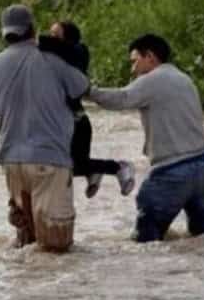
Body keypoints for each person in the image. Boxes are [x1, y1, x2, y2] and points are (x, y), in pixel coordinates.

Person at [0, 4, 90, 252]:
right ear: (32, 28)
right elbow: (81, 87)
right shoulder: (53, 60)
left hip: (12, 162)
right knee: (56, 248)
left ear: (5, 33)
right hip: (50, 160)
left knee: (25, 243)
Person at [87, 34, 204, 242]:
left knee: (145, 240)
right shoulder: (185, 79)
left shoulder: (152, 80)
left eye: (134, 61)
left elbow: (121, 99)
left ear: (150, 57)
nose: (133, 69)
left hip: (172, 171)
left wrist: (87, 90)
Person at [39, 21, 135, 198]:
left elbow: (54, 46)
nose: (50, 39)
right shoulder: (56, 57)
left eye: (55, 35)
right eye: (49, 34)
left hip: (77, 124)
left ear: (68, 39)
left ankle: (119, 167)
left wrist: (33, 41)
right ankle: (93, 171)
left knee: (69, 167)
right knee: (64, 167)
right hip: (70, 123)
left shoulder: (77, 53)